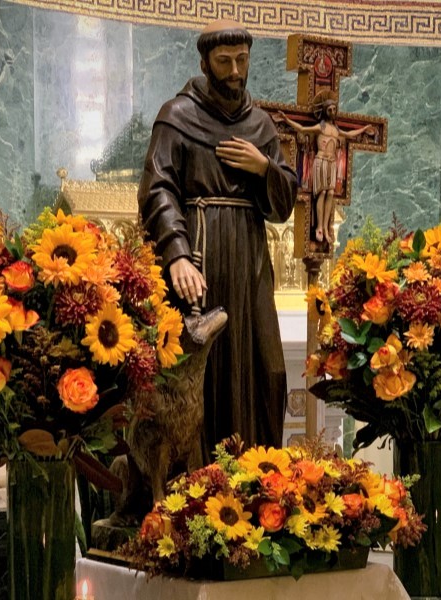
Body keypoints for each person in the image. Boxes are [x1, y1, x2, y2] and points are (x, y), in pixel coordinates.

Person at [137, 20, 298, 455]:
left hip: (249, 268)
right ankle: (194, 493)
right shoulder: (177, 116)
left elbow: (283, 207)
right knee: (201, 377)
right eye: (224, 61)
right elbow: (157, 188)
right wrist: (176, 255)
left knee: (265, 371)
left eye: (241, 61)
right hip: (199, 259)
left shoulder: (260, 125)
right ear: (204, 62)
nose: (234, 71)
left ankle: (255, 482)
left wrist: (265, 167)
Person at [275, 91, 376, 244]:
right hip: (320, 161)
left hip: (331, 163)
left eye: (334, 109)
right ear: (324, 111)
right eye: (329, 109)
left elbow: (349, 134)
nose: (332, 112)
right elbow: (302, 129)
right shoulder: (320, 127)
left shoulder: (335, 130)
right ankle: (319, 228)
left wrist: (364, 129)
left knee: (330, 192)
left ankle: (326, 227)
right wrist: (286, 119)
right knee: (321, 193)